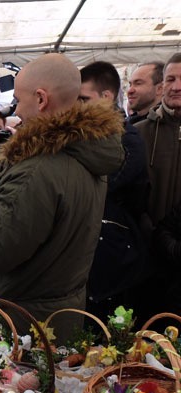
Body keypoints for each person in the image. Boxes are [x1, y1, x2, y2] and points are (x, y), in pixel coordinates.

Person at [0, 54, 124, 341]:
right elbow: (51, 210)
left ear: (41, 99)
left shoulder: (39, 168)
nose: (16, 110)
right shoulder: (85, 152)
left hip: (21, 330)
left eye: (19, 100)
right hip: (58, 317)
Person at [78, 61, 149, 320]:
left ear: (106, 97)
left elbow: (101, 190)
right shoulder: (86, 137)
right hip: (95, 256)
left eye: (84, 99)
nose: (77, 106)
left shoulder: (128, 141)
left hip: (118, 260)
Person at [135, 53, 181, 317]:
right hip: (148, 257)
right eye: (171, 79)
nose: (176, 86)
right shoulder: (139, 133)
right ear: (162, 85)